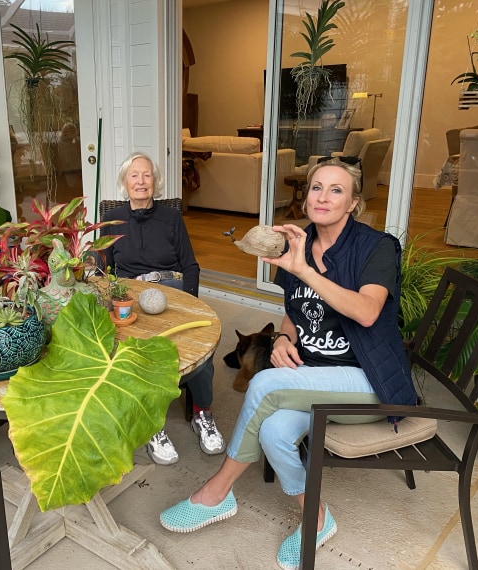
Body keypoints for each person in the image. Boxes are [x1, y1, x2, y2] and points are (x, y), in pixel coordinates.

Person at [159, 157, 418, 570]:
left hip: (368, 382)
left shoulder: (377, 247)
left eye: (336, 190)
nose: (323, 196)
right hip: (312, 378)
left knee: (264, 384)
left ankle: (217, 491)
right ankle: (316, 518)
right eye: (317, 187)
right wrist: (283, 338)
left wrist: (304, 269)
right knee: (275, 431)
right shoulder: (298, 242)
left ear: (353, 202)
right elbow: (292, 313)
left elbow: (367, 312)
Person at [101, 152, 225, 465]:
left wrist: (192, 303)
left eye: (147, 175)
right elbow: (106, 272)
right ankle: (153, 424)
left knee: (199, 350)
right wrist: (116, 302)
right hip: (131, 298)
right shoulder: (111, 221)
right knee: (139, 354)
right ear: (124, 183)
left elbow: (190, 265)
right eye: (134, 176)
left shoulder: (170, 218)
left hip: (173, 292)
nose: (140, 181)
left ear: (155, 182)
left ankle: (202, 414)